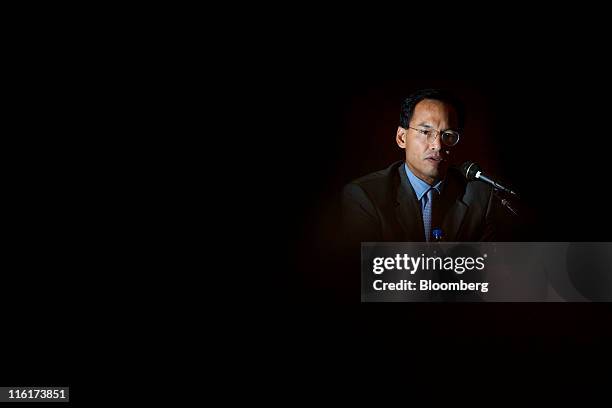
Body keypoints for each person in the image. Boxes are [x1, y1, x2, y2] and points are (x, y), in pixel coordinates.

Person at [342, 88, 500, 243]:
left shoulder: (480, 196)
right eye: (426, 132)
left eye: (448, 135)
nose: (437, 145)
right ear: (402, 138)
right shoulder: (366, 196)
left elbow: (487, 264)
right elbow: (366, 266)